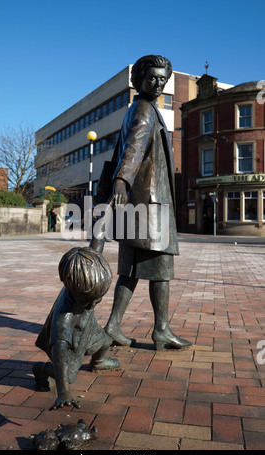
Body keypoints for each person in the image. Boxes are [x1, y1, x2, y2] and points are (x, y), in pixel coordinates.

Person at [98, 55, 192, 351]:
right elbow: (134, 148)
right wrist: (122, 181)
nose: (159, 84)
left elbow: (129, 149)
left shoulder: (137, 108)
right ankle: (161, 330)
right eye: (152, 78)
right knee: (160, 269)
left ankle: (113, 325)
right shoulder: (145, 110)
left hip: (137, 203)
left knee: (131, 270)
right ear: (138, 80)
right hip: (150, 204)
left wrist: (121, 185)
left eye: (163, 79)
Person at [33, 247, 120, 409]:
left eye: (98, 298)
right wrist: (63, 392)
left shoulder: (82, 279)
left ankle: (98, 362)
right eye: (91, 300)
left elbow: (93, 251)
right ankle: (40, 368)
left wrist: (99, 232)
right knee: (68, 375)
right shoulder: (64, 316)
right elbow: (58, 349)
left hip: (87, 325)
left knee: (106, 341)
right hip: (71, 337)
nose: (95, 303)